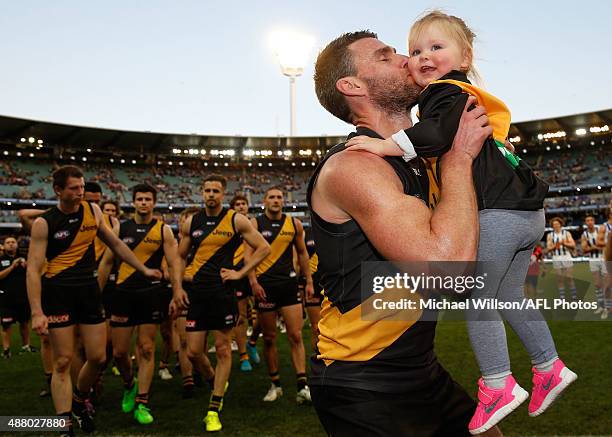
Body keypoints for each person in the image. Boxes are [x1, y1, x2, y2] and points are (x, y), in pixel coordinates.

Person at [345, 12, 575, 432]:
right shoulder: (466, 91)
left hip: (498, 212)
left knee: (474, 296)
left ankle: (498, 384)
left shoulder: (444, 92)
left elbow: (433, 135)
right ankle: (549, 366)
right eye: (415, 51)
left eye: (436, 48)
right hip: (529, 215)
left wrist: (384, 148)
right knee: (508, 295)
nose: (423, 58)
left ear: (465, 55)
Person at [311, 29, 498, 436]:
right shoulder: (355, 166)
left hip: (419, 368)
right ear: (352, 86)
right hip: (362, 381)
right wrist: (459, 159)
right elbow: (448, 273)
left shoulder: (415, 157)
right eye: (384, 56)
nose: (404, 58)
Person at [26, 166, 162, 436]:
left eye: (81, 187)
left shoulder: (93, 212)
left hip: (88, 292)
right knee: (63, 361)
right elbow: (32, 268)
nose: (80, 193)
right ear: (58, 191)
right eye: (74, 189)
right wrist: (37, 311)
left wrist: (143, 268)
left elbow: (117, 245)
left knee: (98, 357)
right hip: (58, 293)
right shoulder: (45, 223)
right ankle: (64, 425)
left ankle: (78, 401)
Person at [171, 174, 270, 432]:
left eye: (216, 190)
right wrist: (178, 287)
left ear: (223, 193)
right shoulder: (192, 222)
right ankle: (216, 380)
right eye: (207, 190)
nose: (211, 194)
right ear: (202, 193)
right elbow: (179, 258)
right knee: (193, 352)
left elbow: (263, 248)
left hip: (223, 293)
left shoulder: (236, 220)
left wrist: (240, 273)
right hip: (198, 293)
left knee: (223, 349)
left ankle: (213, 409)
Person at [97, 184, 180, 425]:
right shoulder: (120, 227)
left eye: (148, 199)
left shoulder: (164, 230)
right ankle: (129, 385)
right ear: (133, 202)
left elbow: (174, 264)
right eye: (139, 199)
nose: (144, 203)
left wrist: (176, 292)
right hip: (122, 294)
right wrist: (96, 295)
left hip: (150, 294)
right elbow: (105, 263)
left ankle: (143, 402)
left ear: (154, 203)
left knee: (146, 348)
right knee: (120, 353)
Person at [246, 187, 314, 404]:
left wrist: (308, 281)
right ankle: (275, 384)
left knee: (295, 335)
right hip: (265, 286)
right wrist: (253, 282)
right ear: (264, 201)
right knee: (269, 338)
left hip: (288, 284)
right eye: (271, 197)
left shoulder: (293, 224)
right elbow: (248, 255)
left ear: (283, 201)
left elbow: (303, 253)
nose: (276, 200)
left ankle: (302, 385)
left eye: (279, 197)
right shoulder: (256, 224)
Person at [229, 194, 258, 372]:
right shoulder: (229, 227)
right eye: (237, 204)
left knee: (262, 317)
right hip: (237, 276)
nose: (241, 206)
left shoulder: (255, 226)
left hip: (256, 274)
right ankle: (243, 356)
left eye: (243, 204)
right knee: (240, 317)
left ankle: (252, 341)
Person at [0, 236, 33, 357]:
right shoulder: (1, 259)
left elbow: (35, 273)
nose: (11, 244)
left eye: (13, 242)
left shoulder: (24, 258)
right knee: (6, 325)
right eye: (8, 242)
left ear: (17, 245)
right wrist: (12, 266)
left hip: (23, 297)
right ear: (3, 245)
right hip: (6, 298)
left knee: (24, 323)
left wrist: (28, 265)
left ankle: (26, 347)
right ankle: (6, 350)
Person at [302, 224, 323, 352]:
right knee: (317, 327)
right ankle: (318, 362)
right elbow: (300, 258)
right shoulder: (305, 233)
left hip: (333, 283)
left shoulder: (335, 229)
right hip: (313, 284)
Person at [547, 217, 577, 300]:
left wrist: (564, 243)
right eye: (554, 225)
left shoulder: (566, 233)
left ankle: (574, 296)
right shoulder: (550, 235)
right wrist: (556, 245)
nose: (556, 226)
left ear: (560, 224)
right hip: (556, 257)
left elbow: (573, 245)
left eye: (557, 224)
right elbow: (549, 247)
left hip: (566, 256)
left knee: (569, 277)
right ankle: (562, 297)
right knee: (559, 278)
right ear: (552, 226)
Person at [581, 215, 607, 315]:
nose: (590, 222)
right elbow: (584, 250)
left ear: (594, 221)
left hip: (603, 258)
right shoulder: (584, 234)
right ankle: (601, 306)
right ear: (585, 223)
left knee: (606, 284)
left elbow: (606, 246)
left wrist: (591, 246)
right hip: (593, 260)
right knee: (597, 284)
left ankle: (607, 307)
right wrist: (597, 247)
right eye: (587, 220)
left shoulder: (600, 231)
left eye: (591, 220)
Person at [596, 209, 612, 319]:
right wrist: (610, 241)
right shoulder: (604, 227)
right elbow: (598, 241)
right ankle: (607, 308)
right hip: (608, 258)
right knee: (607, 286)